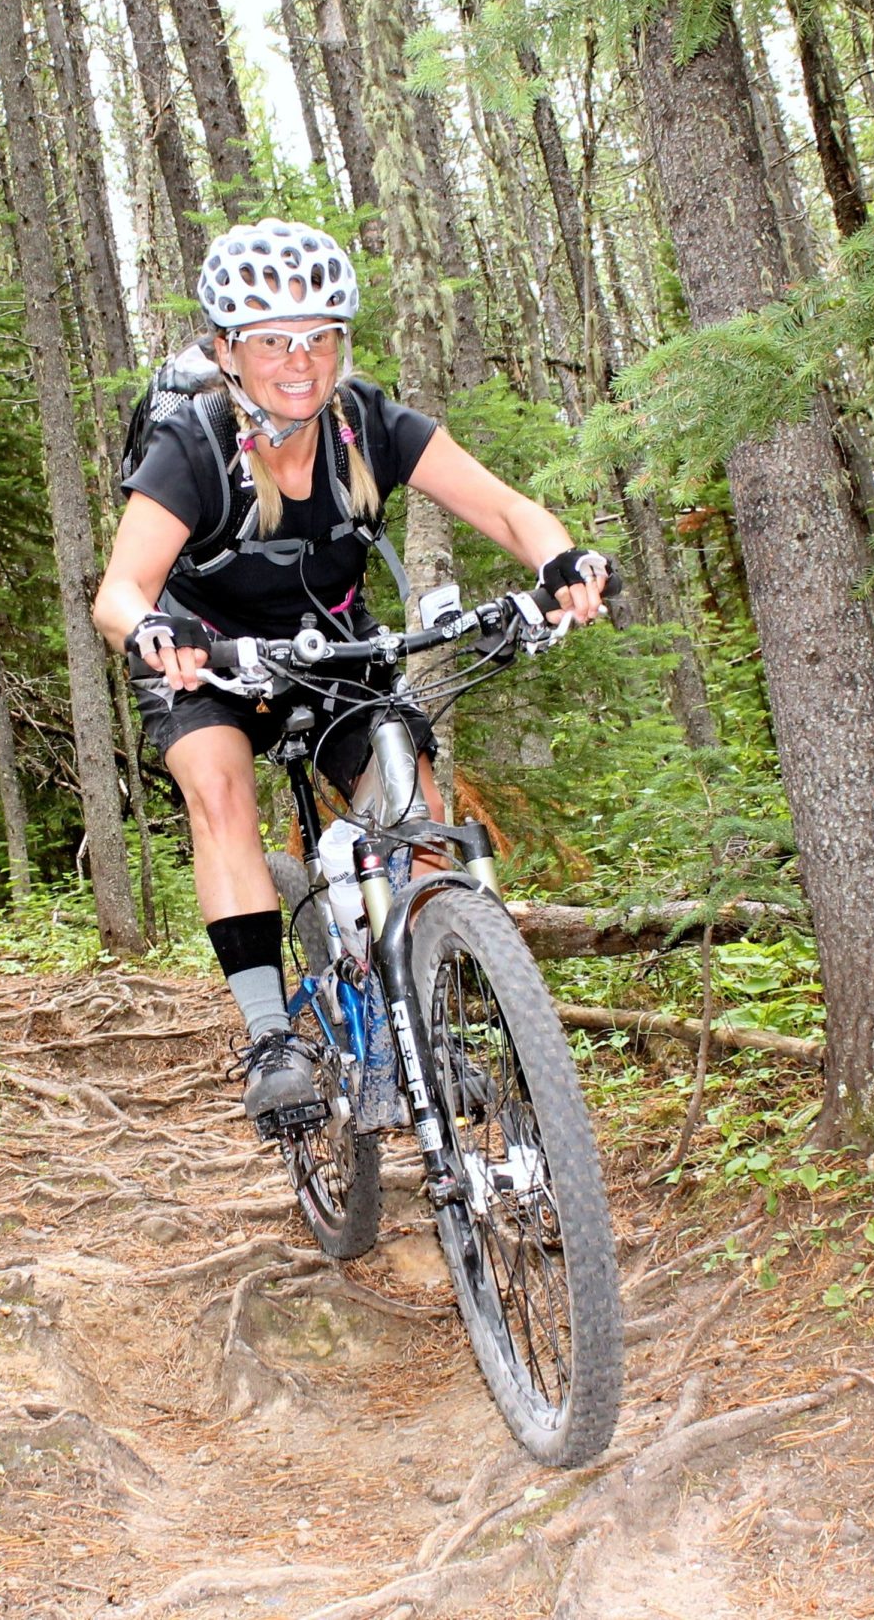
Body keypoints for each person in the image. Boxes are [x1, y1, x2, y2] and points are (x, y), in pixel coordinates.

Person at [91, 219, 614, 1136]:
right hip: (208, 654)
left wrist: (561, 560)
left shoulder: (367, 423)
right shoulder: (195, 444)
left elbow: (503, 506)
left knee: (408, 812)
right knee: (219, 792)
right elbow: (120, 588)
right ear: (228, 350)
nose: (301, 359)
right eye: (272, 340)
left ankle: (419, 1010)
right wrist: (152, 631)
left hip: (335, 649)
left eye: (320, 335)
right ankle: (270, 1037)